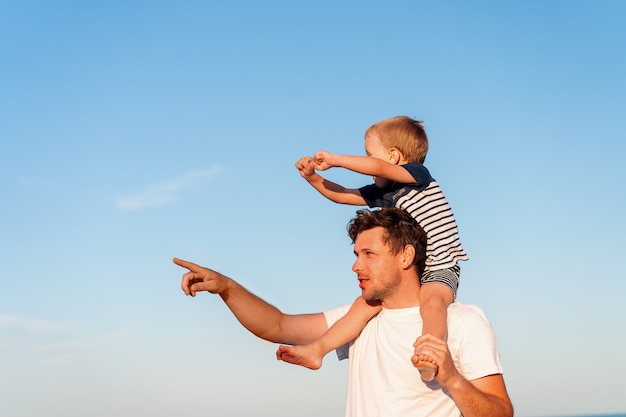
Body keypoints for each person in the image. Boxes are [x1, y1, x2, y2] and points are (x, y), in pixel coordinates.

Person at [174, 208, 513, 417]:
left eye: (369, 254)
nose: (355, 265)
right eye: (356, 253)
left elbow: (500, 413)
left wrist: (452, 377)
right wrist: (226, 287)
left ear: (406, 256)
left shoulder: (463, 321)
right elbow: (277, 325)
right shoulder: (358, 319)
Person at [288, 116, 468, 380]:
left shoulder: (416, 175)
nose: (368, 163)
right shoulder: (385, 193)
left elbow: (377, 167)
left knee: (432, 304)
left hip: (441, 265)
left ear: (394, 156)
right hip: (412, 269)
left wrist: (336, 159)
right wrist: (312, 177)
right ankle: (318, 349)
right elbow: (343, 194)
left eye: (369, 154)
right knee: (363, 305)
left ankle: (430, 354)